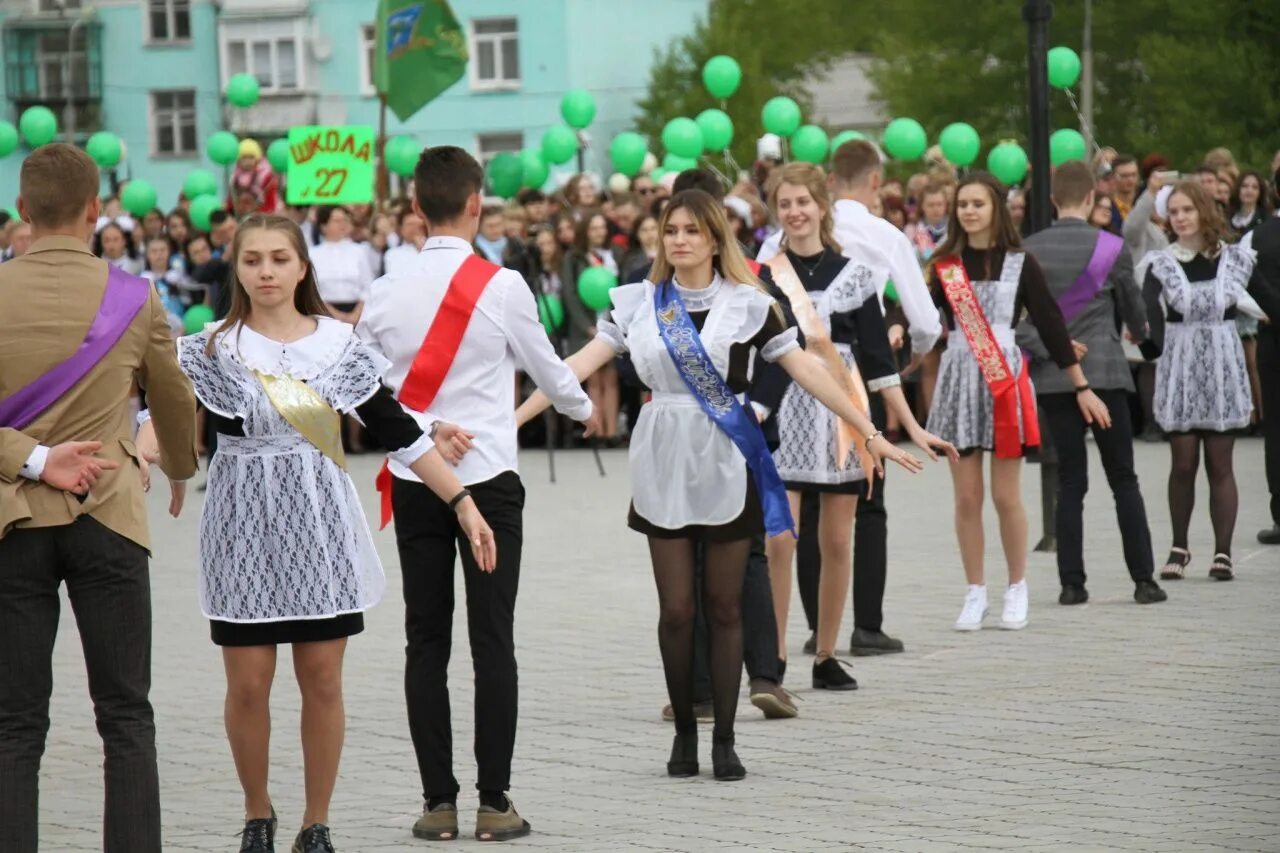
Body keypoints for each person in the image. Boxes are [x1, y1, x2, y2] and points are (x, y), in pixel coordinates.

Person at [516, 189, 927, 781]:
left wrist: (868, 430)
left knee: (725, 603)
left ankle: (726, 740)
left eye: (691, 231)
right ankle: (686, 730)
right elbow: (573, 368)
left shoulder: (750, 303)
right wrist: (508, 426)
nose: (678, 240)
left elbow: (807, 369)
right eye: (670, 230)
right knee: (678, 609)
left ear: (714, 239)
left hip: (728, 456)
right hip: (663, 454)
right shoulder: (638, 304)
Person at [136, 213, 494, 853]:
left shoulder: (337, 344)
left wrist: (463, 501)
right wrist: (143, 454)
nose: (266, 271)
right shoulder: (210, 346)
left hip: (318, 520)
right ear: (236, 269)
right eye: (252, 260)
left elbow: (399, 433)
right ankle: (257, 814)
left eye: (279, 258)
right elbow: (157, 413)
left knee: (322, 680)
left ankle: (316, 822)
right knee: (247, 684)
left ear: (303, 267)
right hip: (240, 522)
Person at [357, 145, 598, 843]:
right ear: (475, 203)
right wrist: (584, 411)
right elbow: (552, 376)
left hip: (414, 476)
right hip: (488, 484)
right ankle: (495, 802)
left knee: (423, 642)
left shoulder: (383, 289)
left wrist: (427, 428)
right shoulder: (503, 284)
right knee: (492, 640)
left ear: (413, 209)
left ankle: (437, 804)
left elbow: (366, 395)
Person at [0, 143, 199, 853]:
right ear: (95, 211)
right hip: (109, 510)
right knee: (125, 716)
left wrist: (31, 456)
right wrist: (177, 463)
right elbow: (173, 398)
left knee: (15, 724)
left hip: (11, 520)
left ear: (22, 211)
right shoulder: (135, 296)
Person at [757, 164, 956, 690]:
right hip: (782, 413)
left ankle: (825, 654)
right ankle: (771, 656)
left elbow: (878, 362)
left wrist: (911, 425)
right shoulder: (763, 275)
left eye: (803, 201)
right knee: (780, 537)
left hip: (843, 417)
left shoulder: (854, 274)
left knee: (838, 540)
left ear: (822, 206)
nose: (795, 212)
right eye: (785, 204)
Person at [927, 172, 1110, 631]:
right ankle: (975, 592)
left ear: (997, 208)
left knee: (1006, 495)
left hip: (1003, 380)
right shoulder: (946, 264)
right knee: (967, 497)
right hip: (959, 381)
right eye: (962, 204)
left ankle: (1016, 587)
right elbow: (926, 321)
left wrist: (1080, 383)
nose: (968, 211)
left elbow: (1049, 322)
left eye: (978, 204)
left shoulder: (1019, 262)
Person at [1017, 161, 1167, 606]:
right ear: (1089, 198)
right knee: (1123, 476)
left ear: (1052, 200)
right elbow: (1134, 312)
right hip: (1104, 373)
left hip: (1055, 378)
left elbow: (1015, 325)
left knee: (1069, 480)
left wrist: (1053, 347)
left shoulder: (1027, 249)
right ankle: (1143, 580)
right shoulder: (1111, 246)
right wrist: (1142, 334)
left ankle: (1072, 584)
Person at [1142, 180, 1278, 581]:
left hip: (1222, 366)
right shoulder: (1161, 262)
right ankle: (1179, 547)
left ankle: (1222, 553)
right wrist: (1147, 341)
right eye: (1175, 212)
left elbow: (1269, 299)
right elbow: (1148, 310)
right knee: (1182, 463)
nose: (1181, 218)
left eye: (1187, 210)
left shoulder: (1235, 260)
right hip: (1180, 368)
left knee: (1221, 465)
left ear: (1203, 210)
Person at [562, 208, 622, 442]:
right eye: (594, 228)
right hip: (587, 326)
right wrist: (587, 326)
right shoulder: (574, 257)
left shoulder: (614, 254)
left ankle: (612, 431)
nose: (599, 232)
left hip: (612, 322)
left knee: (612, 378)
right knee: (594, 378)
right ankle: (596, 431)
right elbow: (570, 294)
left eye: (602, 228)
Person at [1242, 215, 1280, 544]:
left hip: (1273, 336)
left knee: (1276, 426)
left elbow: (1239, 282)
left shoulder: (1256, 236)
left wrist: (1265, 310)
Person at [309, 205, 375, 327]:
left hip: (357, 313)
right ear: (324, 226)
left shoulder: (359, 251)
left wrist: (355, 315)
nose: (342, 224)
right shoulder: (313, 254)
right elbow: (313, 291)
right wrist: (337, 316)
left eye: (345, 220)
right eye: (337, 221)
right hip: (325, 313)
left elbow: (368, 286)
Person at [1229, 170, 1273, 238]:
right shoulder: (1227, 216)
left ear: (1260, 192)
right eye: (1244, 186)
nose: (1249, 190)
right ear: (1238, 189)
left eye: (1254, 187)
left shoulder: (1266, 220)